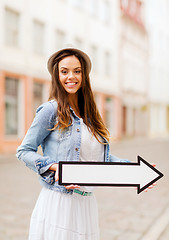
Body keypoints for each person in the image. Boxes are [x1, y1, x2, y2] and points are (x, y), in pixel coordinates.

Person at [16, 48, 151, 240]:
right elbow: (24, 151)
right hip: (60, 202)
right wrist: (56, 167)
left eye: (77, 71)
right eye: (64, 71)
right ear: (57, 75)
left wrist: (134, 171)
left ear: (84, 75)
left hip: (86, 204)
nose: (71, 76)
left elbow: (97, 159)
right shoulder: (50, 110)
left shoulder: (90, 116)